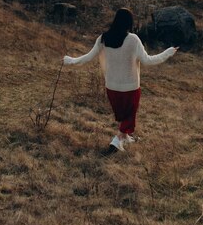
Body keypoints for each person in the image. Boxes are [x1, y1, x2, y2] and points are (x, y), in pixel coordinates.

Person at [63, 8, 178, 152]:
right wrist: (168, 53)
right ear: (129, 22)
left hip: (111, 87)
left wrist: (71, 61)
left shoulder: (104, 38)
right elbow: (148, 60)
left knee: (123, 115)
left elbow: (88, 57)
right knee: (129, 115)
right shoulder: (133, 39)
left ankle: (126, 137)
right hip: (130, 87)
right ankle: (116, 141)